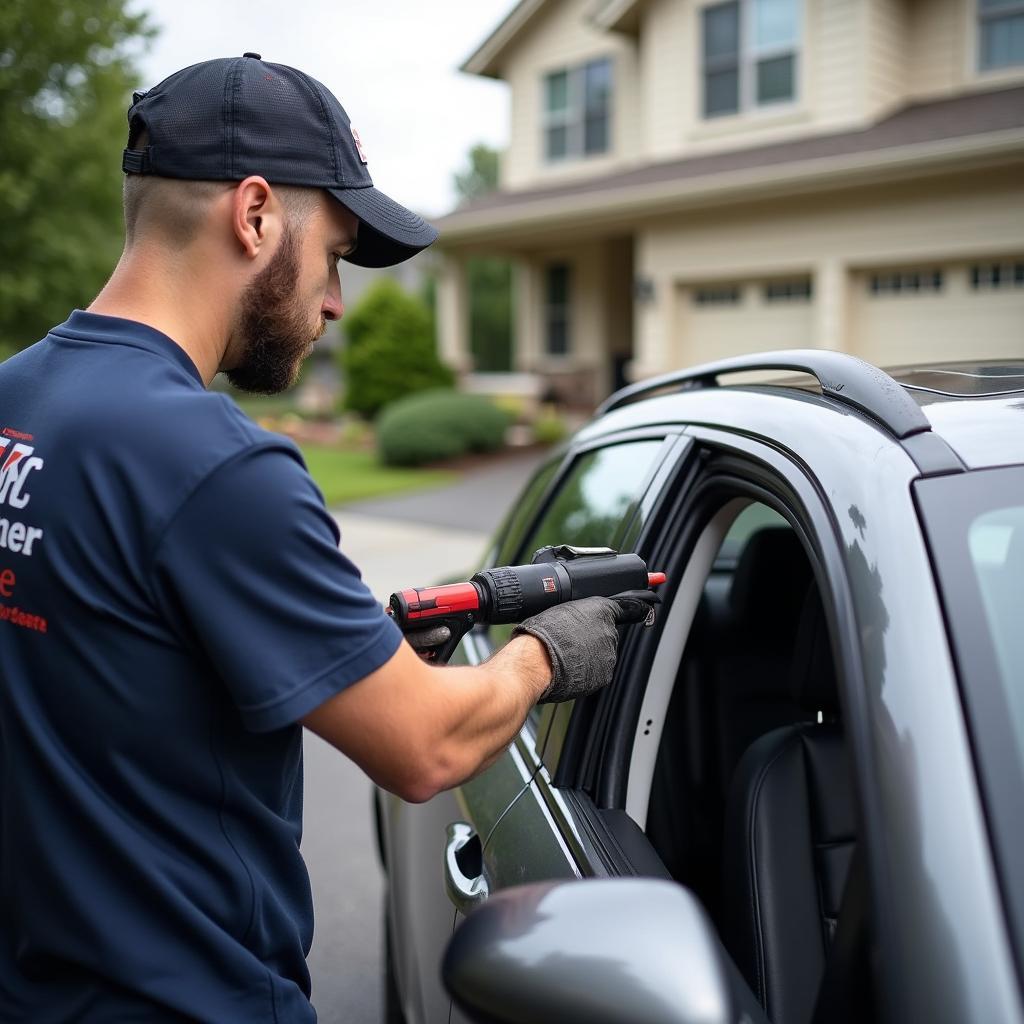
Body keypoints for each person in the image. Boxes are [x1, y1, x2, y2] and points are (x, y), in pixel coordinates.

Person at [0, 56, 649, 1022]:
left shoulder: (17, 401)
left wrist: (341, 648)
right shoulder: (220, 469)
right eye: (336, 252)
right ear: (255, 215)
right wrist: (541, 659)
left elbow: (108, 652)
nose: (337, 300)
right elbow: (424, 748)